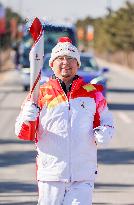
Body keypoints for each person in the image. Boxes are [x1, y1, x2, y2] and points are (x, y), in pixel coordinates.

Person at [15, 37, 114, 205]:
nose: (65, 62)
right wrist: (27, 117)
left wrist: (105, 132)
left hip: (83, 174)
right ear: (52, 64)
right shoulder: (40, 94)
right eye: (60, 58)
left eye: (70, 58)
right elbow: (22, 133)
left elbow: (108, 122)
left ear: (78, 64)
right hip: (51, 175)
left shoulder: (93, 93)